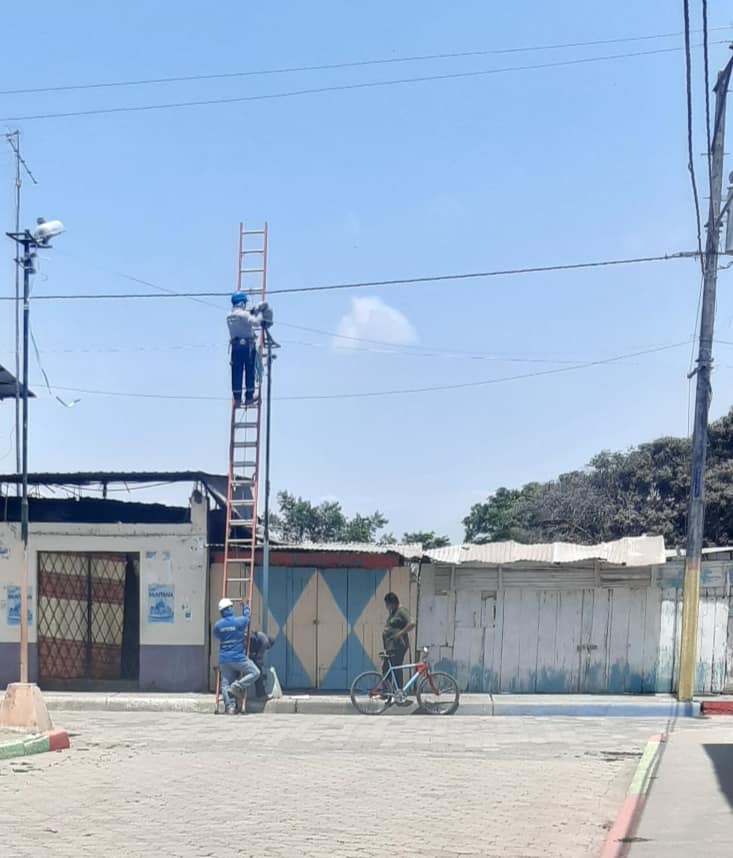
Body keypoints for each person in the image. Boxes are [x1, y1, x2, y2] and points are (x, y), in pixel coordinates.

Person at [214, 597, 260, 714]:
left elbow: (217, 635)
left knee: (225, 684)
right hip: (238, 658)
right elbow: (247, 618)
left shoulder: (218, 625)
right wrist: (245, 606)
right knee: (255, 672)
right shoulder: (238, 622)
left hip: (224, 659)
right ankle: (237, 686)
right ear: (230, 609)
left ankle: (229, 707)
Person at [227, 294, 273, 407]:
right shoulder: (244, 314)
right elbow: (256, 322)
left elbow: (242, 325)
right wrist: (261, 314)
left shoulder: (229, 316)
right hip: (247, 346)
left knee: (236, 372)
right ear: (241, 303)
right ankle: (249, 397)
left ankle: (237, 399)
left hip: (235, 347)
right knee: (249, 371)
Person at [382, 592, 415, 690]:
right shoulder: (393, 612)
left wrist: (400, 634)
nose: (386, 606)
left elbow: (412, 623)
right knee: (387, 669)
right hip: (391, 647)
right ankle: (387, 692)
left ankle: (398, 692)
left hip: (397, 646)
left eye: (387, 604)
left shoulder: (401, 611)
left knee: (396, 669)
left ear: (393, 603)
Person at [248, 631, 275, 698]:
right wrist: (259, 660)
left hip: (244, 651)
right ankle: (261, 694)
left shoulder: (261, 636)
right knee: (258, 673)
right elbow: (259, 656)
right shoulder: (265, 642)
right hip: (248, 651)